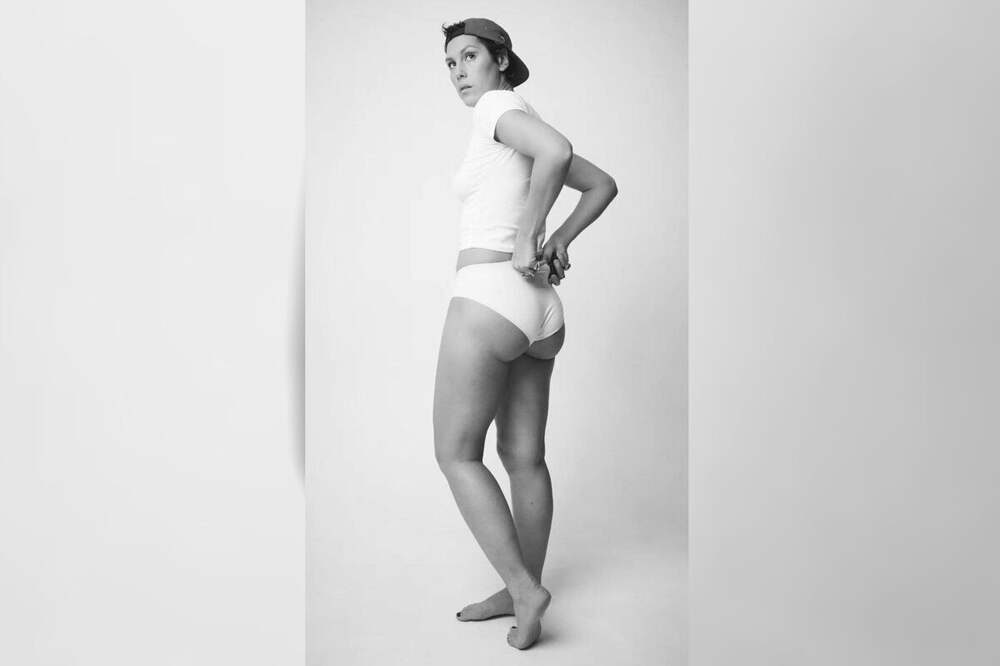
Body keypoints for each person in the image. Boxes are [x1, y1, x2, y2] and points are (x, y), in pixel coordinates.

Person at [434, 17, 618, 650]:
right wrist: (559, 238)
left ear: (501, 60)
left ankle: (522, 586)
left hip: (490, 295)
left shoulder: (497, 108)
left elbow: (558, 151)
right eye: (450, 62)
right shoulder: (518, 119)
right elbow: (601, 183)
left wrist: (528, 236)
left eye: (469, 56)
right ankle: (522, 592)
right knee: (524, 458)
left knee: (456, 454)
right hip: (541, 309)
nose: (458, 71)